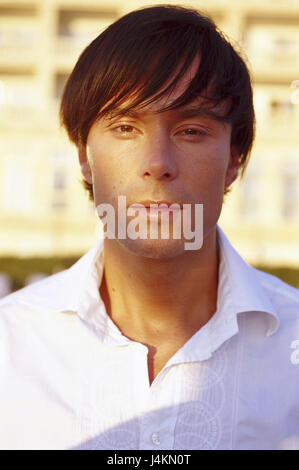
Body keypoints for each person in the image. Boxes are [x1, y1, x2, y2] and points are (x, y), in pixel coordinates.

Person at [0, 4, 298, 451]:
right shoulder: (11, 346)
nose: (157, 163)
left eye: (192, 130)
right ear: (84, 156)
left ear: (234, 159)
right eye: (125, 126)